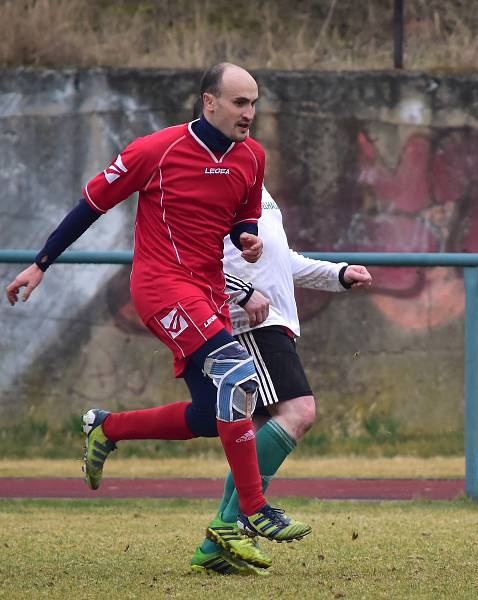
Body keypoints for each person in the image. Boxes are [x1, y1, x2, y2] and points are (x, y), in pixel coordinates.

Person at [4, 62, 303, 570]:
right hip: (161, 288)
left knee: (215, 414)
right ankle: (250, 511)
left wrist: (246, 239)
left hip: (208, 294)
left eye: (253, 103)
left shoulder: (252, 157)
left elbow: (241, 219)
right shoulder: (155, 150)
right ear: (209, 102)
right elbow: (90, 205)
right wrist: (41, 263)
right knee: (238, 374)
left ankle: (108, 428)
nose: (249, 113)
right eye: (239, 103)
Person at [191, 183, 372, 575]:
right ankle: (229, 525)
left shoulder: (254, 183)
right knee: (300, 412)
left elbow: (279, 259)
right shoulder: (207, 180)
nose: (248, 118)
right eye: (241, 116)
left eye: (251, 116)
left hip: (275, 323)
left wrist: (336, 274)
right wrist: (241, 294)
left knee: (257, 432)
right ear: (209, 116)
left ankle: (215, 544)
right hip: (254, 324)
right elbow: (193, 261)